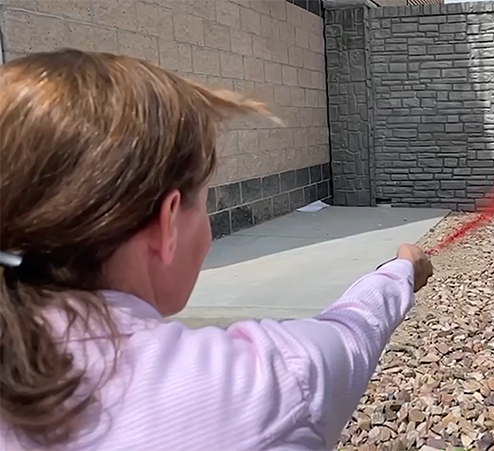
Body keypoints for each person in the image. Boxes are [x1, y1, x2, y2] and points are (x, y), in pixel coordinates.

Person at [0, 49, 434, 451]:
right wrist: (401, 270)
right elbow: (352, 332)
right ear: (168, 222)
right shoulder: (260, 385)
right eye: (204, 199)